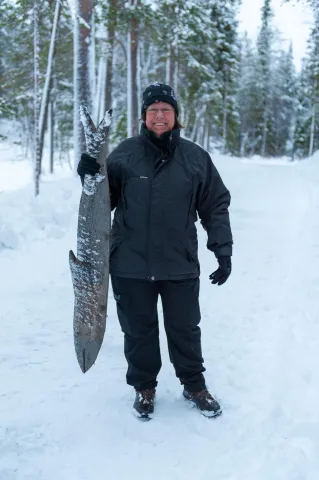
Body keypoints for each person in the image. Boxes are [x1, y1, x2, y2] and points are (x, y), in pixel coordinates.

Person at [77, 83, 233, 420]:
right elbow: (103, 203)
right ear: (143, 117)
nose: (159, 115)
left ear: (176, 116)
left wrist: (223, 250)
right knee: (138, 331)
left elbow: (215, 206)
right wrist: (88, 175)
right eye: (152, 110)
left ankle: (194, 385)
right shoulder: (123, 154)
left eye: (165, 109)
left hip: (179, 263)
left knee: (185, 328)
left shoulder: (195, 158)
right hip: (130, 266)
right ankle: (144, 388)